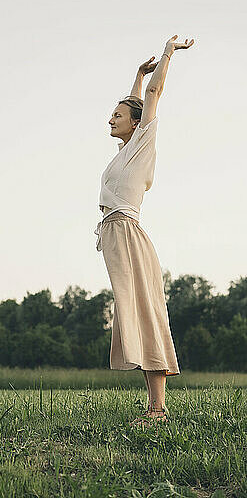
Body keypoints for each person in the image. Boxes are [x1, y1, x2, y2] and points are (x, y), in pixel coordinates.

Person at [94, 34, 194, 428]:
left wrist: (168, 54)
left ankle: (157, 409)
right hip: (117, 238)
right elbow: (138, 99)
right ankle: (154, 406)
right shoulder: (124, 153)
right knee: (132, 316)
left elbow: (153, 95)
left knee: (144, 315)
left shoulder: (144, 142)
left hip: (129, 237)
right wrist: (136, 75)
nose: (110, 119)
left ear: (136, 124)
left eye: (117, 115)